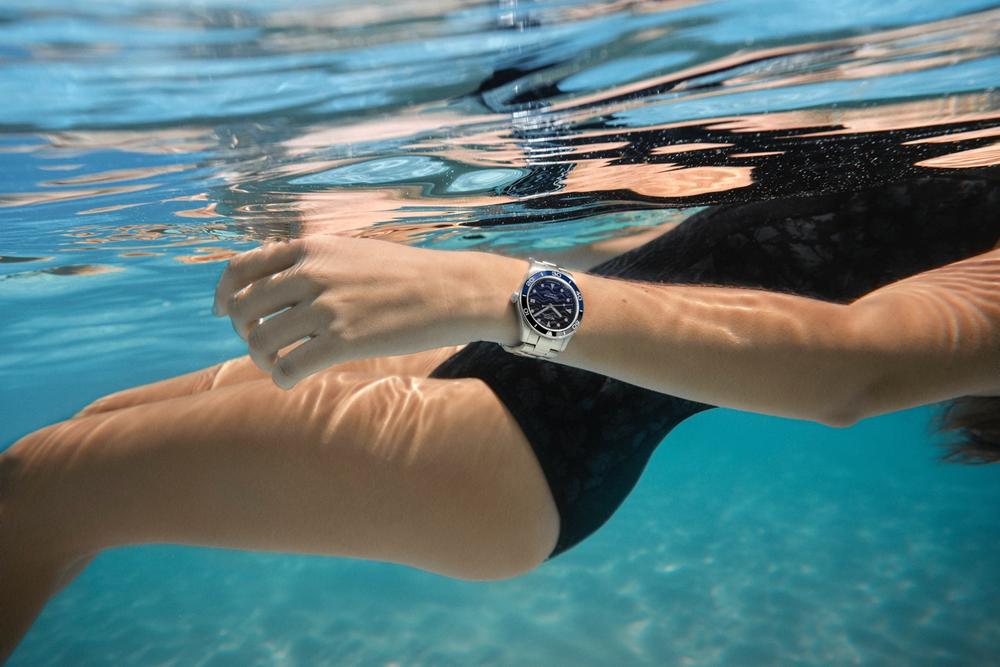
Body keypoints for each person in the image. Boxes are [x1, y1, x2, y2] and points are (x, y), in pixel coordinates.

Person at [2, 170, 998, 660]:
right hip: (495, 383)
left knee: (37, 497)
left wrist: (484, 289)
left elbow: (851, 368)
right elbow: (704, 254)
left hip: (509, 447)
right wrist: (428, 230)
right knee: (50, 460)